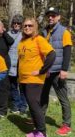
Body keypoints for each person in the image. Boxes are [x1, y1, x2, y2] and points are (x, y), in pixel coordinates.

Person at [18, 18, 56, 137]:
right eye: (25, 26)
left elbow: (51, 54)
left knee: (34, 105)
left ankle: (42, 132)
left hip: (34, 79)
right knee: (31, 105)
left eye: (30, 25)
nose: (27, 28)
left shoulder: (39, 39)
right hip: (23, 79)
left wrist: (42, 70)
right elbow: (22, 60)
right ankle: (36, 130)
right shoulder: (22, 41)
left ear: (35, 27)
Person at [41, 7, 73, 136]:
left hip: (58, 71)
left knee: (63, 98)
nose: (50, 18)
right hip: (46, 71)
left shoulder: (64, 32)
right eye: (48, 15)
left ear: (58, 17)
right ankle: (40, 119)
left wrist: (64, 69)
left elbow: (67, 51)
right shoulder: (44, 31)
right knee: (42, 97)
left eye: (53, 15)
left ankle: (67, 124)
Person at [7, 14, 27, 114]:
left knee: (23, 86)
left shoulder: (24, 34)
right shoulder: (8, 34)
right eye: (14, 23)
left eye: (18, 23)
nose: (16, 25)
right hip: (11, 64)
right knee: (13, 86)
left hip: (22, 63)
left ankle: (23, 106)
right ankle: (16, 104)